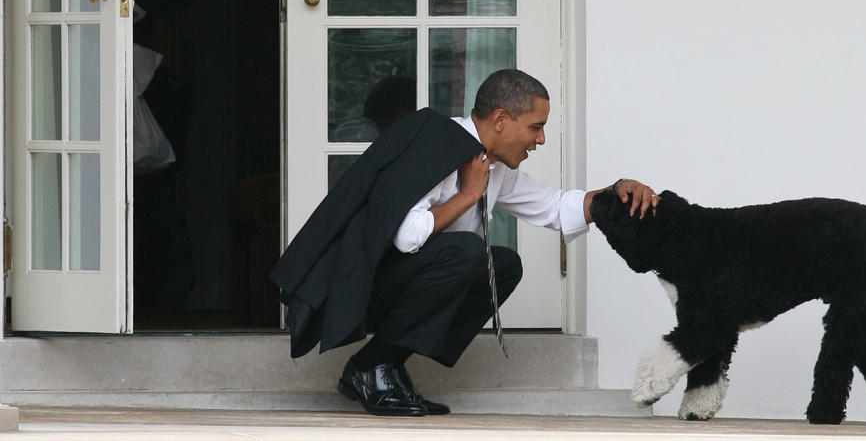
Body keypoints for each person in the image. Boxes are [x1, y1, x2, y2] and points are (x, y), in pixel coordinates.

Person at [271, 68, 657, 417]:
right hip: (357, 289)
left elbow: (555, 208)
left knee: (504, 265)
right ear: (501, 120)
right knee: (469, 252)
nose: (540, 139)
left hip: (398, 284)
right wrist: (469, 195)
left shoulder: (493, 164)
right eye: (535, 127)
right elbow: (406, 236)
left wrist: (617, 191)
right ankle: (372, 368)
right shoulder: (436, 141)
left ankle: (380, 363)